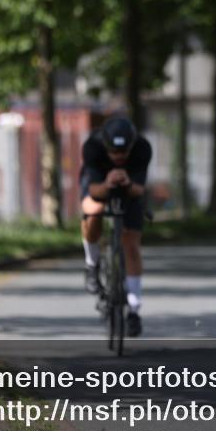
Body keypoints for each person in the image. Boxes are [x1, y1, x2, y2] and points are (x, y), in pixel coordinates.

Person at [80, 116, 152, 337]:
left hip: (130, 190)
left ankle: (134, 310)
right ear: (105, 145)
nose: (119, 157)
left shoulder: (142, 148)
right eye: (114, 152)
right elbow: (93, 191)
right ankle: (92, 264)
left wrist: (127, 183)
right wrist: (107, 183)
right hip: (99, 184)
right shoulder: (92, 147)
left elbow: (139, 189)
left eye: (123, 152)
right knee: (93, 211)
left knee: (131, 245)